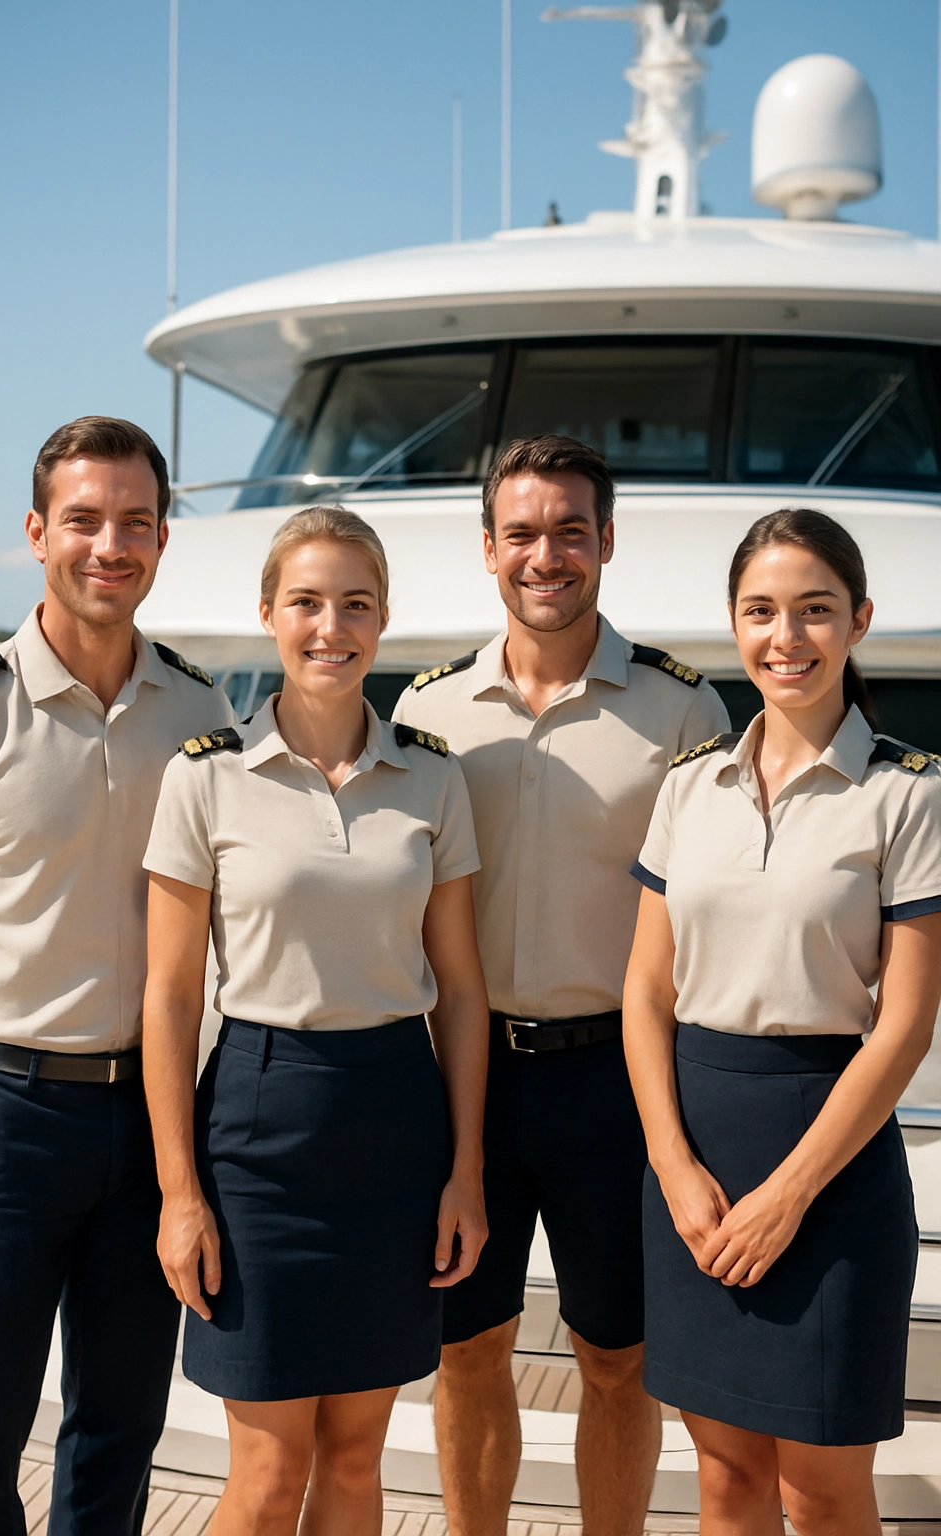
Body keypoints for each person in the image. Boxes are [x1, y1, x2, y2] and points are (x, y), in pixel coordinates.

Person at [392, 434, 731, 1536]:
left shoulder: (685, 715)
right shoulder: (427, 710)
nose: (548, 555)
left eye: (571, 531)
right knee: (470, 1349)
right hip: (465, 1081)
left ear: (607, 543)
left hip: (619, 1085)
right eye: (524, 533)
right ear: (488, 549)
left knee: (619, 1360)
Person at [141, 504, 490, 1536]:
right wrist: (177, 1193)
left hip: (396, 1125)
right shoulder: (203, 775)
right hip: (257, 1126)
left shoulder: (433, 777)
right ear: (267, 614)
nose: (329, 625)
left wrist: (465, 1169)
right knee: (265, 1466)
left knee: (354, 1456)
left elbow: (461, 990)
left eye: (355, 604)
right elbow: (169, 997)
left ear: (382, 621)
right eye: (305, 601)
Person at [0, 417, 235, 1535]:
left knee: (119, 1425)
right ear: (36, 532)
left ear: (160, 538)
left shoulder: (201, 713)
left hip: (155, 1123)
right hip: (5, 1112)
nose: (112, 544)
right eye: (86, 520)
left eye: (137, 523)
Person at [623, 508, 941, 1536]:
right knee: (724, 1478)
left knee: (823, 1486)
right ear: (733, 624)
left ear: (858, 621)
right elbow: (645, 995)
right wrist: (674, 1167)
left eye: (814, 611)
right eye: (760, 612)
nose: (785, 637)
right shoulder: (687, 787)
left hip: (831, 1161)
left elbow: (902, 1027)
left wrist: (788, 1196)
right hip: (696, 1158)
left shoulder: (907, 794)